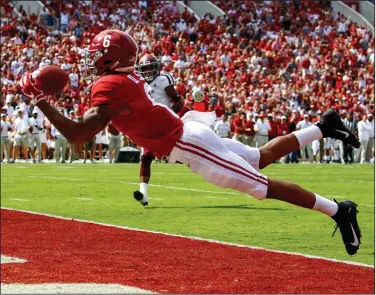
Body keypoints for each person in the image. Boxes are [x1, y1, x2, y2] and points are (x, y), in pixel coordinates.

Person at [20, 29, 362, 256]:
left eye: (96, 53)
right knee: (259, 157)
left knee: (260, 186)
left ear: (110, 59)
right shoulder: (123, 77)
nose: (89, 57)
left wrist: (40, 100)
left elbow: (79, 136)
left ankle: (338, 210)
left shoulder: (110, 84)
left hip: (188, 144)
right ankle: (324, 126)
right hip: (189, 134)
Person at [134, 53, 184, 205]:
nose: (148, 71)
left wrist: (172, 115)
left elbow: (177, 100)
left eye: (150, 68)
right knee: (145, 158)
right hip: (150, 127)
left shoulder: (163, 80)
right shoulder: (140, 84)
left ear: (156, 68)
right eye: (145, 68)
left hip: (166, 125)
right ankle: (144, 194)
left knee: (187, 155)